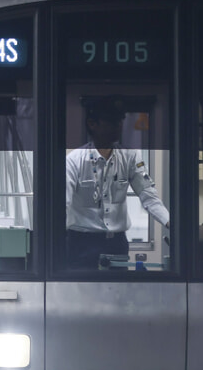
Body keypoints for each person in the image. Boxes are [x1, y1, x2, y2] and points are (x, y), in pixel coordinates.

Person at [64, 96, 170, 268]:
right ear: (92, 124)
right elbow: (64, 203)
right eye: (111, 122)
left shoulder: (130, 157)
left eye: (120, 121)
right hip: (81, 244)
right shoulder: (74, 161)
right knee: (80, 293)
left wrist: (170, 222)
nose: (118, 126)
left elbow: (148, 196)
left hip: (116, 244)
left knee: (118, 294)